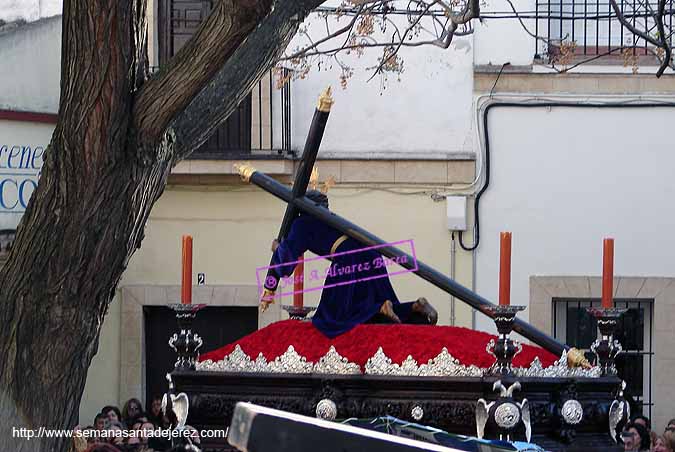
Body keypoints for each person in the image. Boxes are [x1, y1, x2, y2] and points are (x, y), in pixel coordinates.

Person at [261, 190, 438, 338]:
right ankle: (413, 307)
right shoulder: (330, 218)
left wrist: (278, 248)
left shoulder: (301, 224)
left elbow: (286, 263)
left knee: (332, 316)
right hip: (371, 252)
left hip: (348, 258)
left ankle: (380, 306)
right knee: (372, 305)